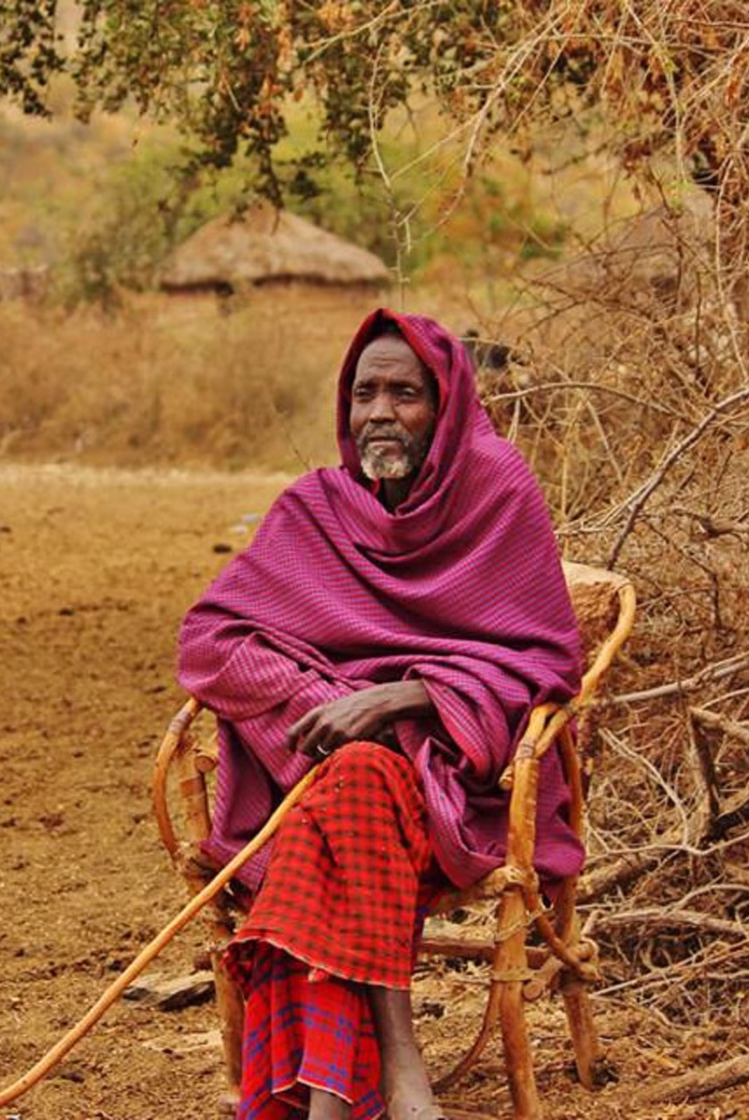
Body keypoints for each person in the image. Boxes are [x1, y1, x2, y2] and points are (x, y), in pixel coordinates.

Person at [176, 309, 583, 1120]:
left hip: (458, 797)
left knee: (347, 788)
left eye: (405, 393)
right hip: (342, 788)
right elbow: (208, 640)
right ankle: (388, 1078)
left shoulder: (497, 489)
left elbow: (545, 661)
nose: (379, 414)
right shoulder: (317, 509)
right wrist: (325, 704)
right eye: (364, 394)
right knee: (353, 776)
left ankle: (339, 1091)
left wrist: (410, 698)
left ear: (447, 405)